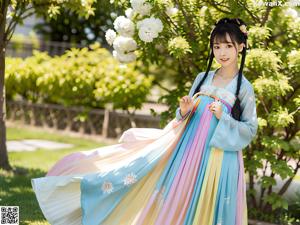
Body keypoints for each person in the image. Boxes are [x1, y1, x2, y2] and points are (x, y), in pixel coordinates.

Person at [31, 17, 258, 225]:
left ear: (240, 47)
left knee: (208, 205)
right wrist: (184, 111)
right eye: (217, 46)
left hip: (218, 158)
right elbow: (185, 120)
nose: (222, 52)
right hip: (188, 153)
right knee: (175, 198)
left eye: (228, 46)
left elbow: (249, 129)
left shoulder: (244, 88)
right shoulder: (203, 78)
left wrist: (223, 117)